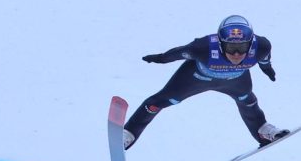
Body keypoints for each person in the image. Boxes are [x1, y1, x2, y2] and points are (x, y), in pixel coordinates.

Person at [123, 15, 288, 150]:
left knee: (248, 101)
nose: (237, 54)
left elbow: (265, 59)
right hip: (196, 78)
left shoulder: (262, 46)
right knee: (158, 102)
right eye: (231, 48)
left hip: (235, 81)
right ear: (221, 43)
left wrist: (267, 70)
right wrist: (160, 58)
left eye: (242, 47)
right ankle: (128, 134)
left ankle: (263, 132)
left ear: (251, 44)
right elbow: (179, 53)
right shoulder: (203, 47)